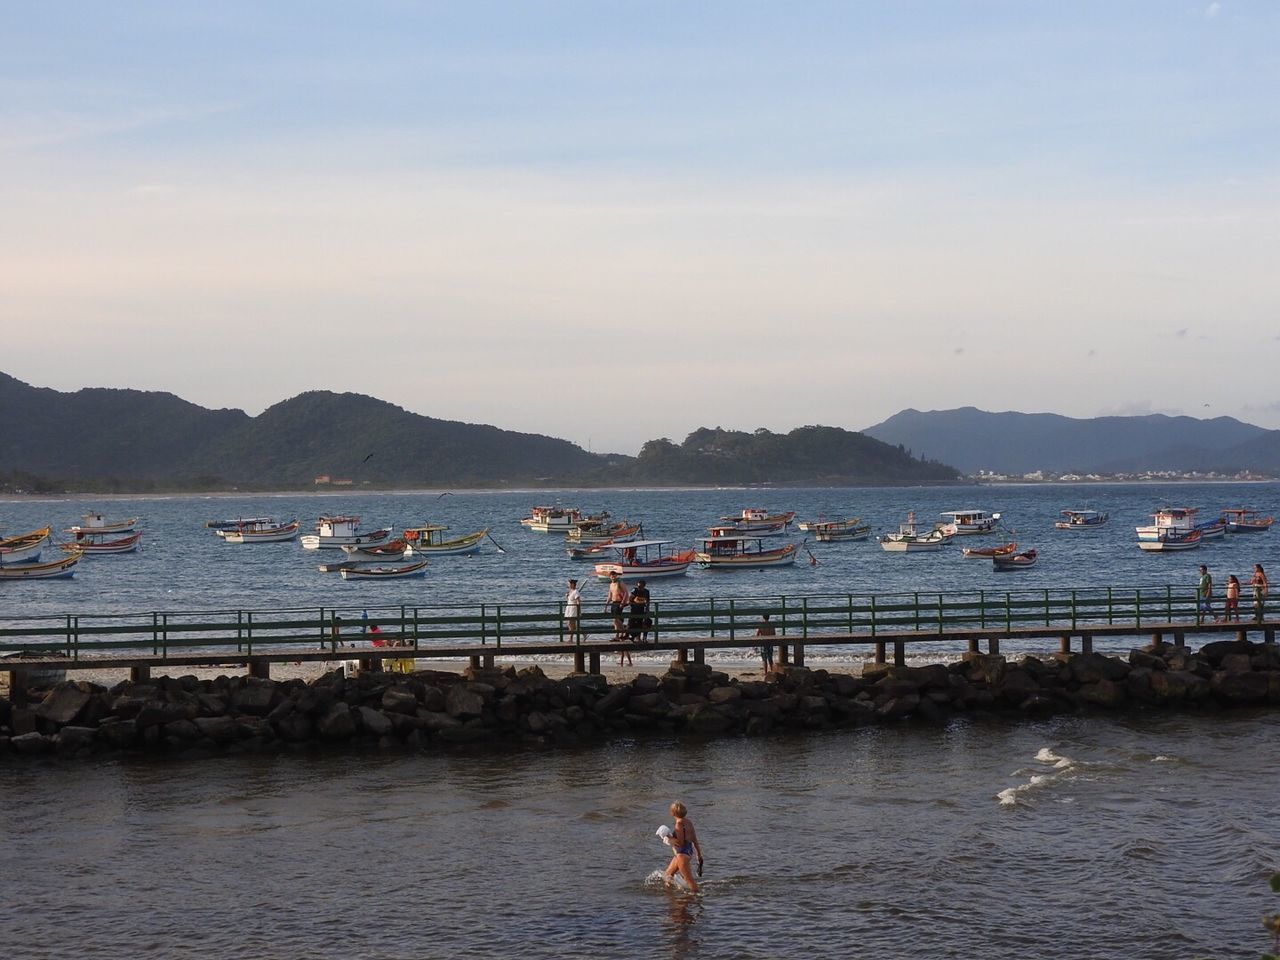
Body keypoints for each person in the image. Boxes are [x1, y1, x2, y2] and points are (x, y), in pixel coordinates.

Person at [663, 801, 704, 893]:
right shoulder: (688, 822)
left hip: (682, 854)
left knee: (689, 881)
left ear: (672, 813)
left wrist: (668, 838)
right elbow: (694, 839)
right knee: (668, 875)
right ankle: (669, 895)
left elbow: (680, 843)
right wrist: (699, 855)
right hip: (688, 851)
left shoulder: (678, 825)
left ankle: (697, 897)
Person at [607, 572, 630, 642]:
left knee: (616, 619)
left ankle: (624, 631)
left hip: (619, 602)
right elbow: (609, 596)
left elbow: (626, 592)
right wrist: (606, 606)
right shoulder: (611, 584)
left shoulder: (620, 582)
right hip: (613, 603)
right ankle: (618, 636)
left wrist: (623, 602)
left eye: (614, 575)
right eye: (611, 575)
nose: (613, 576)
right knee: (615, 621)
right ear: (609, 577)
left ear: (616, 576)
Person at [628, 580, 651, 644]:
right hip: (634, 610)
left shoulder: (646, 592)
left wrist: (647, 610)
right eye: (638, 586)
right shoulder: (635, 590)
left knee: (642, 623)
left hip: (642, 609)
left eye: (641, 586)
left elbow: (648, 601)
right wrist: (633, 604)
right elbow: (630, 599)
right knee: (631, 624)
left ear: (644, 586)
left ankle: (640, 638)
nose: (639, 588)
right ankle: (632, 636)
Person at [563, 578, 583, 643]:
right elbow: (568, 601)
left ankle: (571, 638)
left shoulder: (576, 592)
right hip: (569, 608)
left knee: (570, 624)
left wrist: (579, 610)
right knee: (572, 625)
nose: (568, 585)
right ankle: (583, 633)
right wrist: (567, 596)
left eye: (569, 584)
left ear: (572, 584)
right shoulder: (570, 591)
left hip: (573, 609)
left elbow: (578, 601)